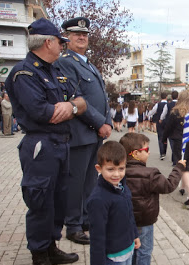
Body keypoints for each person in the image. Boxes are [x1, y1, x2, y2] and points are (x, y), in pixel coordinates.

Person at [5, 18, 87, 265]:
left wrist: (72, 107)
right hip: (41, 146)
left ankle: (51, 246)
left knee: (59, 200)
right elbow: (42, 112)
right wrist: (67, 108)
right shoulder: (24, 73)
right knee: (41, 202)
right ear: (48, 42)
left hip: (61, 144)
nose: (63, 46)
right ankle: (38, 258)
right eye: (60, 42)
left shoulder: (53, 71)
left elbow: (79, 102)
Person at [55, 17, 113, 245]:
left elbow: (102, 99)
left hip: (94, 133)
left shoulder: (88, 64)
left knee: (90, 180)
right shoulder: (66, 63)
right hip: (79, 133)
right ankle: (73, 225)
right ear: (66, 38)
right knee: (75, 182)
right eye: (77, 34)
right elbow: (75, 100)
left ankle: (86, 219)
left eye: (85, 34)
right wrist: (100, 123)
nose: (82, 37)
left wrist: (106, 121)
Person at [119, 133, 185, 265]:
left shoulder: (119, 172)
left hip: (126, 218)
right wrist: (179, 168)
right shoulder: (150, 174)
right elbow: (169, 186)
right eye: (146, 149)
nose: (149, 152)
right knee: (144, 249)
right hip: (145, 219)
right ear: (135, 153)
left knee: (133, 247)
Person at [87, 141, 141, 265]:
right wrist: (97, 264)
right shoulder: (98, 199)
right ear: (99, 168)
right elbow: (97, 234)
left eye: (121, 169)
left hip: (127, 247)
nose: (116, 174)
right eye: (110, 169)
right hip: (113, 255)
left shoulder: (122, 187)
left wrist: (135, 235)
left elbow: (129, 214)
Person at [162, 90, 189, 204]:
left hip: (179, 142)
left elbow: (168, 128)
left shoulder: (175, 112)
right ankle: (182, 188)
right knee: (187, 165)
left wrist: (164, 139)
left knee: (184, 168)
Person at [149, 93, 168, 159]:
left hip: (159, 122)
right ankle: (165, 151)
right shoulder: (169, 104)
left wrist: (149, 115)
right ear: (166, 97)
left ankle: (162, 153)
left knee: (160, 137)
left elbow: (152, 111)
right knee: (165, 138)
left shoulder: (158, 104)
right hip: (167, 123)